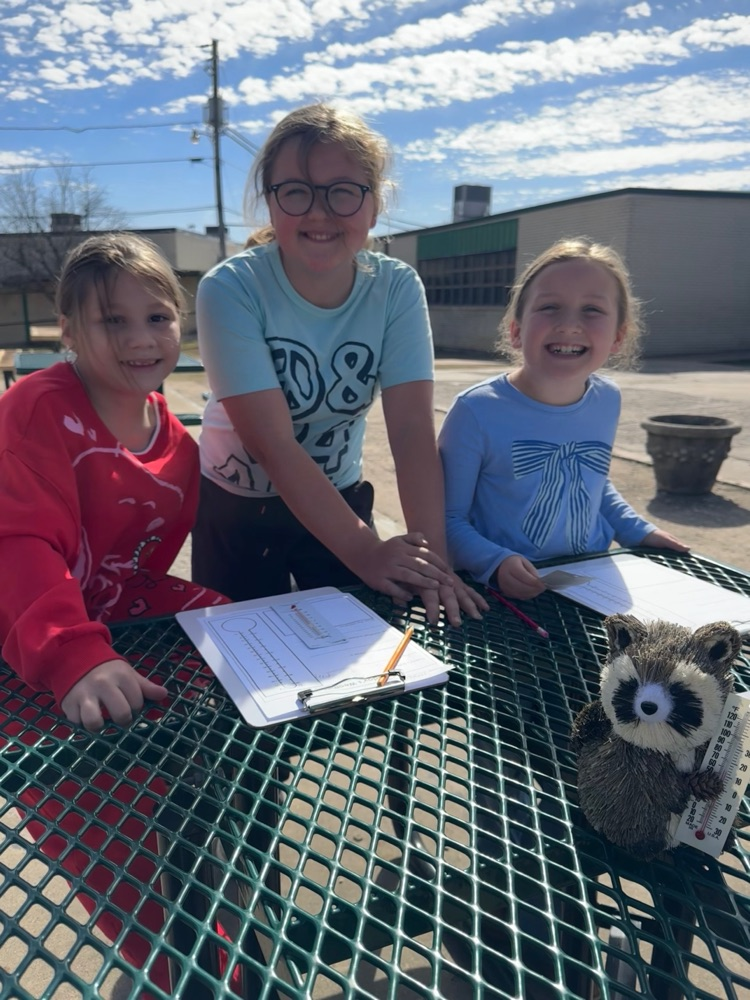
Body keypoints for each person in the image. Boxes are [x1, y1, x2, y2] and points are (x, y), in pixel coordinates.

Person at [192, 102, 485, 625]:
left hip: (339, 497)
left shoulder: (395, 288)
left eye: (344, 191)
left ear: (374, 207)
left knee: (359, 661)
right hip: (236, 509)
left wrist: (434, 564)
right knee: (243, 670)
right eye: (296, 190)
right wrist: (368, 552)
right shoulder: (230, 288)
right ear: (271, 202)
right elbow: (272, 445)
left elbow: (413, 431)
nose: (319, 211)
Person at [0, 232, 227, 732]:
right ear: (68, 332)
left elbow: (136, 566)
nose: (141, 339)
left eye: (157, 318)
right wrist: (73, 654)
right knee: (93, 791)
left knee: (235, 633)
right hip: (23, 622)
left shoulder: (180, 446)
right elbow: (16, 543)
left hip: (110, 612)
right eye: (112, 320)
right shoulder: (33, 412)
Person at [438, 237, 689, 601]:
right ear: (516, 330)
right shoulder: (475, 410)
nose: (569, 324)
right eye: (550, 307)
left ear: (619, 336)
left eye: (592, 310)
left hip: (595, 572)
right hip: (507, 596)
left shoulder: (608, 399)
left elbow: (592, 483)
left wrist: (637, 530)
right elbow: (447, 519)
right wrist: (496, 562)